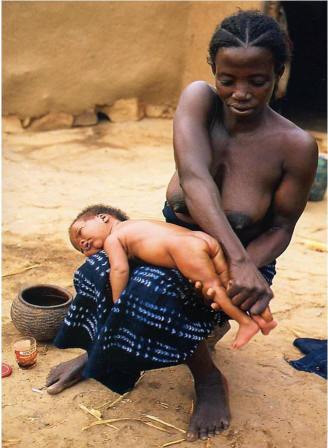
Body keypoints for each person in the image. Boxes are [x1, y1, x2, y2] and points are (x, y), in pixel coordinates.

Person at [46, 10, 318, 442]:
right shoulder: (199, 101)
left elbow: (281, 227)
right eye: (228, 79)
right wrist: (234, 256)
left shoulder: (296, 146)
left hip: (245, 260)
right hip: (178, 243)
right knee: (99, 268)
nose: (240, 93)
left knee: (151, 289)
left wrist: (242, 266)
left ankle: (209, 379)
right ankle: (107, 351)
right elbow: (194, 180)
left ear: (278, 73)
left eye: (258, 81)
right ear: (213, 70)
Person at [69, 204, 277, 349]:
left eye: (80, 232)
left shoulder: (114, 238)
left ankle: (246, 323)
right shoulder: (140, 225)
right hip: (202, 240)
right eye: (81, 249)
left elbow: (119, 270)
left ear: (103, 217)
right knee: (229, 283)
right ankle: (263, 317)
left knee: (214, 290)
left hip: (185, 249)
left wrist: (117, 301)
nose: (82, 244)